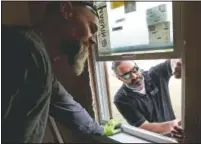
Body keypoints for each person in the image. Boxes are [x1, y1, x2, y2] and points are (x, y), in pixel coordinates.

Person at [2, 1, 120, 143]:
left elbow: (65, 105)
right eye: (91, 27)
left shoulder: (39, 59)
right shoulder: (25, 50)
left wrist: (100, 130)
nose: (93, 40)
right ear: (66, 10)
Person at [112, 60, 185, 142]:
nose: (134, 76)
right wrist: (175, 124)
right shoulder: (121, 99)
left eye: (134, 70)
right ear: (119, 78)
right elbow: (143, 127)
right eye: (126, 75)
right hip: (150, 139)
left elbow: (174, 62)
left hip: (175, 136)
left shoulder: (155, 74)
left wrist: (179, 65)